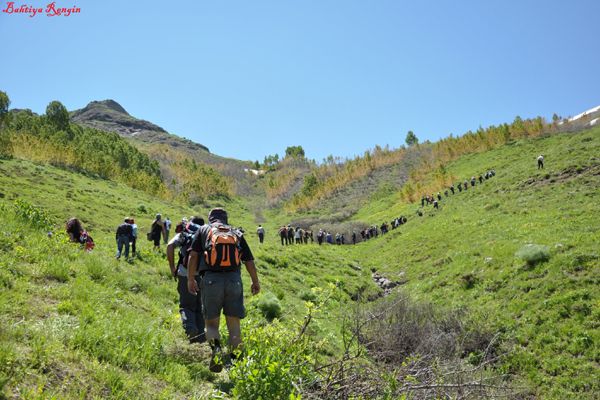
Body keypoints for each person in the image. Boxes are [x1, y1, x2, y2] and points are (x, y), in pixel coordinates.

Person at [187, 208, 260, 373]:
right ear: (226, 219)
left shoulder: (203, 230)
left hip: (211, 280)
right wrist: (255, 282)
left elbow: (193, 256)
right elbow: (249, 260)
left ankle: (216, 351)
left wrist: (191, 278)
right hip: (234, 280)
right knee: (234, 326)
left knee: (212, 324)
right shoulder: (236, 233)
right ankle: (235, 366)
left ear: (210, 219)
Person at [167, 216, 206, 344]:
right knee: (199, 307)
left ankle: (190, 328)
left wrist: (173, 267)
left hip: (184, 274)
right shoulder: (206, 233)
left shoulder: (185, 233)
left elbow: (170, 245)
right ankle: (201, 338)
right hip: (203, 275)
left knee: (186, 305)